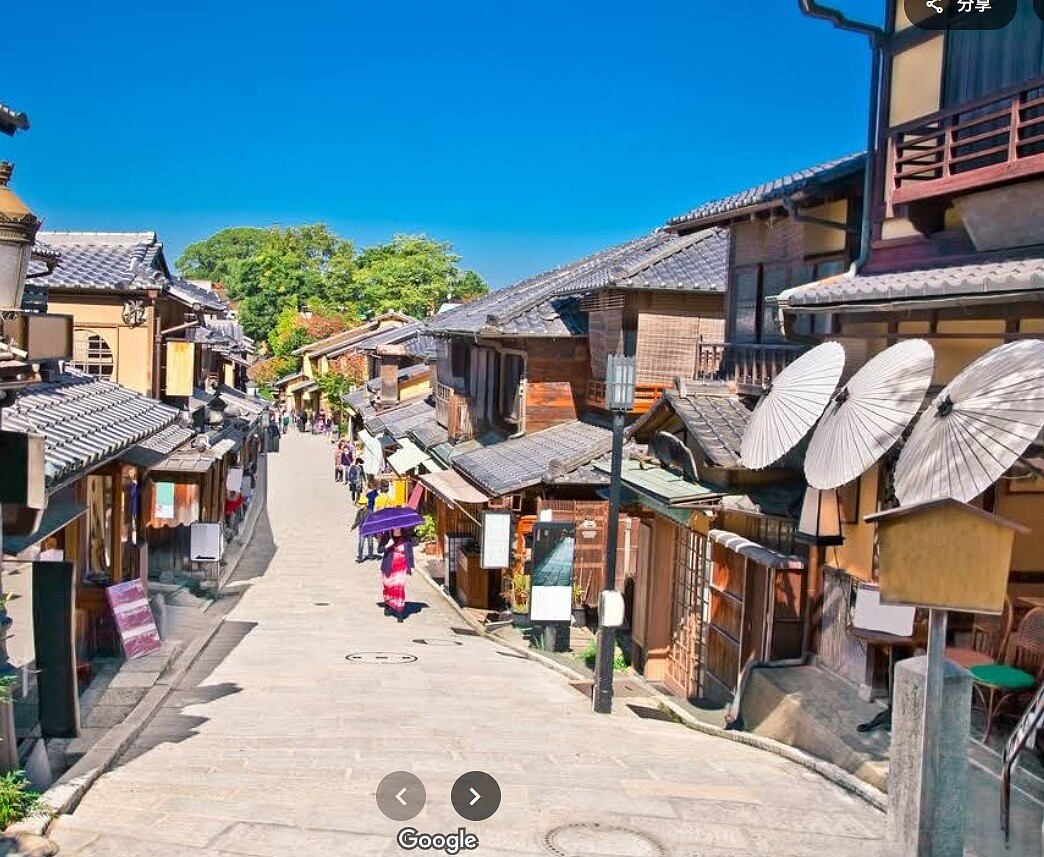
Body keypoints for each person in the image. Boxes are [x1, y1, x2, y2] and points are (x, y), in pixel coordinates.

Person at [378, 528, 415, 622]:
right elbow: (379, 550)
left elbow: (410, 552)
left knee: (399, 587)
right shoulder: (387, 535)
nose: (397, 528)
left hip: (402, 565)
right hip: (389, 565)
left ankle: (399, 611)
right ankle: (388, 604)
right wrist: (387, 545)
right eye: (395, 526)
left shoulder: (406, 536)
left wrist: (411, 565)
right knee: (388, 586)